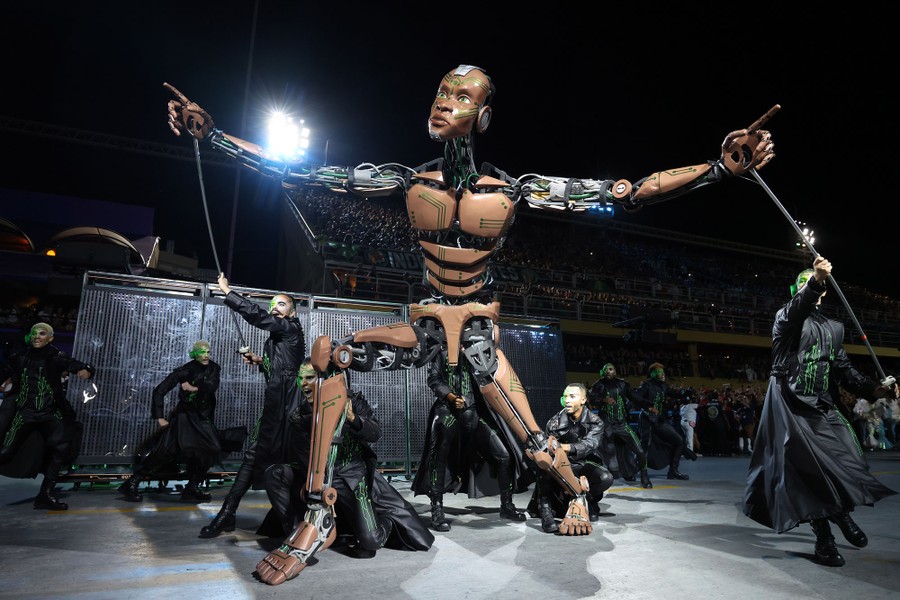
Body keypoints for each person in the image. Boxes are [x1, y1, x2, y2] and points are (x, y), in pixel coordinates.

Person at [165, 65, 775, 584]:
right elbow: (296, 171)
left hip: (479, 341)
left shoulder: (513, 192)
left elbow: (627, 192)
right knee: (328, 353)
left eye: (462, 97)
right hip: (426, 329)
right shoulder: (407, 181)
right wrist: (214, 134)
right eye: (440, 93)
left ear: (482, 116)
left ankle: (579, 493)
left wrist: (719, 170)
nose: (444, 104)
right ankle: (318, 510)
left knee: (537, 448)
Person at [743, 256, 898, 567]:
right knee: (808, 470)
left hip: (822, 405)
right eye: (803, 283)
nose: (807, 285)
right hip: (789, 401)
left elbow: (845, 371)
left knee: (849, 459)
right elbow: (797, 308)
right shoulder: (785, 318)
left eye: (812, 282)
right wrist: (814, 282)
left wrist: (877, 389)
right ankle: (825, 536)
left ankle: (840, 513)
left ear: (826, 292)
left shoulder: (833, 328)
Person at [265, 360, 433, 558]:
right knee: (275, 473)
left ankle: (386, 520)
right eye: (301, 378)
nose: (303, 383)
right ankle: (295, 532)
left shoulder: (353, 401)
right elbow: (301, 453)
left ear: (326, 379)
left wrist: (353, 418)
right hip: (316, 476)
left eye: (309, 378)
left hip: (351, 476)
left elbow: (375, 433)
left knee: (371, 542)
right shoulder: (300, 413)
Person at [199, 274, 306, 538]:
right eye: (273, 303)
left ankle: (294, 522)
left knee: (285, 462)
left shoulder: (290, 328)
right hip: (276, 408)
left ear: (292, 311)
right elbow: (282, 369)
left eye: (281, 304)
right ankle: (228, 514)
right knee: (253, 457)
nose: (274, 307)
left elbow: (259, 318)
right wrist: (261, 361)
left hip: (289, 411)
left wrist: (228, 292)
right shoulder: (277, 337)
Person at [411, 347, 526, 531]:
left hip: (475, 411)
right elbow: (434, 379)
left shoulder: (480, 351)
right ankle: (437, 509)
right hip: (447, 409)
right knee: (438, 455)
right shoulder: (441, 352)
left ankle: (507, 505)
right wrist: (449, 396)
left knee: (504, 455)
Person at [117, 340, 237, 503]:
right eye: (202, 352)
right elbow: (159, 390)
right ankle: (132, 483)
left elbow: (211, 386)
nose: (206, 355)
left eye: (208, 352)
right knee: (165, 452)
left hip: (202, 418)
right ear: (195, 354)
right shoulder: (185, 370)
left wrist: (194, 388)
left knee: (211, 449)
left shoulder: (214, 368)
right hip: (184, 418)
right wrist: (159, 417)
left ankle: (192, 487)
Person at [0, 322, 94, 510]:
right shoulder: (19, 356)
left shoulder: (56, 356)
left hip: (50, 413)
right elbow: (5, 371)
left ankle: (45, 494)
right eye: (34, 333)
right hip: (25, 413)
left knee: (62, 447)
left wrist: (87, 370)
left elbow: (75, 364)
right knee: (4, 451)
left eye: (42, 334)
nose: (37, 336)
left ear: (50, 338)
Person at [527, 383, 613, 533]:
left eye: (572, 396)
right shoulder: (554, 422)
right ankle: (545, 511)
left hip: (585, 461)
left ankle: (588, 502)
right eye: (565, 396)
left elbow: (590, 444)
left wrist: (563, 447)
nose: (567, 400)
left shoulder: (595, 421)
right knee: (544, 465)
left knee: (605, 477)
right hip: (561, 465)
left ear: (583, 400)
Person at [587, 362, 651, 488]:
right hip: (606, 424)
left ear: (615, 371)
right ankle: (596, 476)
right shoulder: (598, 385)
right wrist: (604, 400)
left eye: (611, 369)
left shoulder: (623, 384)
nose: (608, 371)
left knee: (639, 450)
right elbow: (592, 399)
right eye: (606, 370)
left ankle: (644, 476)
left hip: (622, 424)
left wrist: (649, 405)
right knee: (606, 450)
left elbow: (635, 398)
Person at [633, 362, 697, 480]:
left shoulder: (664, 386)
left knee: (679, 441)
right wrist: (648, 406)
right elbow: (635, 397)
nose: (662, 375)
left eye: (663, 372)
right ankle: (640, 471)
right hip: (647, 419)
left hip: (660, 421)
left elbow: (674, 394)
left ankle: (673, 471)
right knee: (645, 445)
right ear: (653, 374)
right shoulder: (646, 385)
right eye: (659, 372)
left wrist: (686, 391)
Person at [679, 391, 700, 456]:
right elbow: (700, 405)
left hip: (683, 423)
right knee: (690, 438)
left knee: (686, 438)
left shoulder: (682, 407)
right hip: (688, 424)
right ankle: (690, 454)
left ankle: (686, 453)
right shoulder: (691, 406)